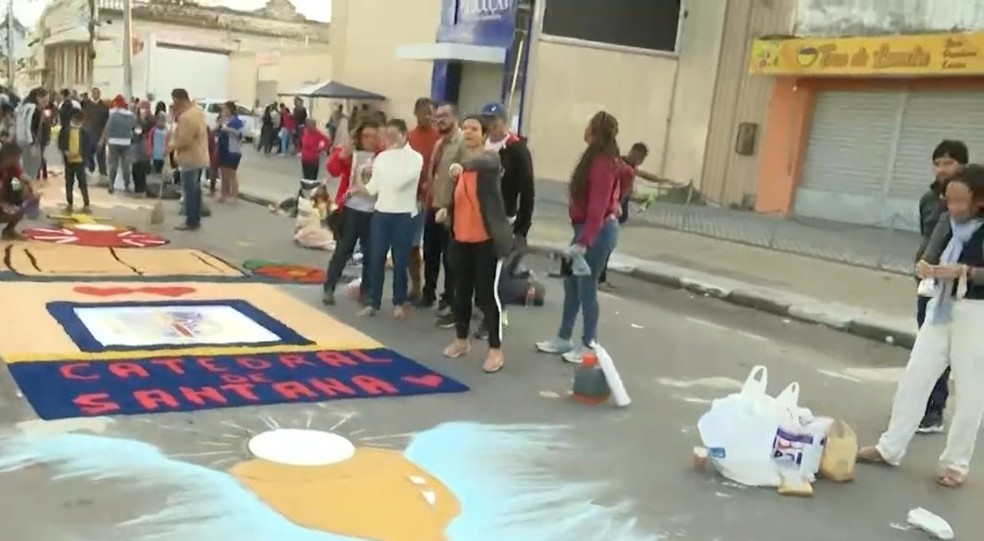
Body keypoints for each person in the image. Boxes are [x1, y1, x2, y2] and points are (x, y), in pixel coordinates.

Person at [858, 163, 984, 488]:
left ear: (980, 201)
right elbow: (929, 254)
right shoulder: (946, 221)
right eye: (950, 201)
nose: (953, 208)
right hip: (939, 308)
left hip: (975, 313)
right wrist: (925, 266)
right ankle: (890, 447)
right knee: (916, 378)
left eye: (961, 202)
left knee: (970, 391)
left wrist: (965, 272)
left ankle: (955, 463)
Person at [535, 111, 622, 364]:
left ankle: (589, 343)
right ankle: (564, 337)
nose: (584, 130)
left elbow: (598, 206)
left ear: (595, 132)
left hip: (595, 233)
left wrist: (585, 241)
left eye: (588, 127)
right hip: (585, 230)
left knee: (587, 288)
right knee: (572, 285)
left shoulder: (604, 163)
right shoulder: (595, 158)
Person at [437, 115, 514, 373]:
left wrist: (464, 165)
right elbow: (460, 197)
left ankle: (495, 350)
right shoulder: (461, 163)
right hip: (460, 238)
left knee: (486, 296)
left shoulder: (489, 159)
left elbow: (483, 163)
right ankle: (461, 340)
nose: (468, 132)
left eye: (474, 129)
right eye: (465, 128)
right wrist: (447, 210)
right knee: (461, 293)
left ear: (484, 134)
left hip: (486, 241)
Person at [911, 139, 968, 434]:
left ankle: (934, 411)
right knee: (927, 347)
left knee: (953, 352)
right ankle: (924, 406)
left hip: (962, 289)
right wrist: (923, 265)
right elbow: (927, 236)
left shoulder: (974, 201)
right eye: (938, 163)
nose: (942, 169)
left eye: (949, 163)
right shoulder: (929, 199)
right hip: (929, 282)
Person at [352, 118, 423, 318]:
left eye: (393, 135)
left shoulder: (415, 158)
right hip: (382, 213)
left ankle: (399, 302)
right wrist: (359, 180)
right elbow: (374, 187)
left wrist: (382, 174)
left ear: (404, 134)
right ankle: (373, 302)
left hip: (404, 215)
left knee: (400, 260)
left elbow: (400, 182)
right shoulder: (382, 158)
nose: (389, 140)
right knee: (376, 258)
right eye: (387, 136)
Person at [321, 121, 381, 305]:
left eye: (373, 136)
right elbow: (332, 170)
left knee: (371, 253)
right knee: (343, 250)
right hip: (351, 209)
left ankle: (367, 292)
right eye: (366, 136)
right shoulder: (352, 154)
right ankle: (329, 288)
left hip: (374, 210)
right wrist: (341, 155)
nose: (370, 140)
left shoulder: (383, 156)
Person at [424, 102, 470, 327]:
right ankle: (428, 293)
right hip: (433, 206)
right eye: (437, 117)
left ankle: (451, 301)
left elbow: (465, 177)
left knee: (451, 259)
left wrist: (450, 205)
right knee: (430, 254)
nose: (439, 120)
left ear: (455, 117)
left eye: (444, 116)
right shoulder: (439, 142)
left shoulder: (462, 143)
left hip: (451, 210)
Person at [479, 102, 534, 240]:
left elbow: (527, 190)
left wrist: (522, 227)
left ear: (504, 121)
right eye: (486, 120)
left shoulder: (517, 150)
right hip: (477, 215)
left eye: (493, 120)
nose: (489, 124)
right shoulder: (478, 146)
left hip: (503, 217)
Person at [599, 142, 651, 289]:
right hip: (612, 211)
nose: (640, 162)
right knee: (606, 246)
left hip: (613, 210)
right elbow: (624, 192)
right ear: (635, 153)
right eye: (640, 158)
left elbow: (638, 179)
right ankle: (599, 279)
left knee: (605, 246)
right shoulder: (625, 168)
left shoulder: (624, 165)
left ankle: (598, 278)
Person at [407, 97, 440, 303]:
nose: (427, 117)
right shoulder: (409, 138)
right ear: (416, 113)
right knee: (412, 246)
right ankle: (415, 286)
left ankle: (430, 288)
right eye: (424, 112)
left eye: (431, 113)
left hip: (433, 201)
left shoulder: (439, 139)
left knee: (431, 248)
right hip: (412, 199)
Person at [168, 88, 209, 231]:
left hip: (189, 157)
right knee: (195, 190)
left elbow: (184, 140)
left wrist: (170, 147)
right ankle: (195, 218)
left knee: (190, 191)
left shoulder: (187, 117)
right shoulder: (197, 111)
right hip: (200, 155)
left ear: (178, 100)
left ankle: (191, 220)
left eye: (174, 101)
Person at [57, 109, 92, 213]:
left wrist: (80, 154)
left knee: (82, 182)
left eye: (79, 121)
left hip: (80, 160)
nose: (77, 122)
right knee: (69, 182)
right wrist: (65, 151)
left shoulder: (84, 132)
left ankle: (86, 203)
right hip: (68, 160)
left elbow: (87, 146)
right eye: (75, 120)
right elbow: (61, 143)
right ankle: (69, 202)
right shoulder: (65, 130)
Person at [101, 94, 137, 194]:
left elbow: (107, 128)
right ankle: (127, 185)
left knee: (113, 165)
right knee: (126, 165)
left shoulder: (113, 115)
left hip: (113, 142)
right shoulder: (131, 116)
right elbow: (135, 127)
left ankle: (111, 184)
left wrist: (103, 139)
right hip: (127, 142)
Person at [0, 143, 36, 239]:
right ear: (9, 157)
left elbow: (25, 179)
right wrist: (3, 205)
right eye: (17, 157)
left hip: (4, 200)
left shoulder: (13, 167)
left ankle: (9, 231)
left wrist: (32, 191)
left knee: (28, 195)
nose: (18, 160)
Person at [14, 87, 48, 180]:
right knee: (31, 170)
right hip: (28, 142)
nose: (46, 103)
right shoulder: (33, 108)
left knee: (25, 168)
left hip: (20, 139)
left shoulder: (23, 106)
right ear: (38, 97)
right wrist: (32, 144)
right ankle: (29, 191)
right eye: (45, 100)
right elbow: (30, 126)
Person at [216, 101, 245, 202]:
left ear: (230, 109)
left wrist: (227, 129)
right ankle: (223, 194)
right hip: (223, 148)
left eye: (225, 109)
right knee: (223, 173)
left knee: (231, 173)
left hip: (233, 150)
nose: (223, 111)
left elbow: (240, 134)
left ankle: (234, 195)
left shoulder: (236, 121)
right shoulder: (223, 120)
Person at [83, 88, 109, 180]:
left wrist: (104, 137)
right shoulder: (86, 106)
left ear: (100, 94)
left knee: (101, 155)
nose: (95, 95)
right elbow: (83, 120)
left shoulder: (104, 107)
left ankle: (103, 174)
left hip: (99, 134)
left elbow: (107, 123)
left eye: (97, 93)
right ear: (91, 94)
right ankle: (90, 170)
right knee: (88, 154)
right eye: (94, 93)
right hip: (88, 134)